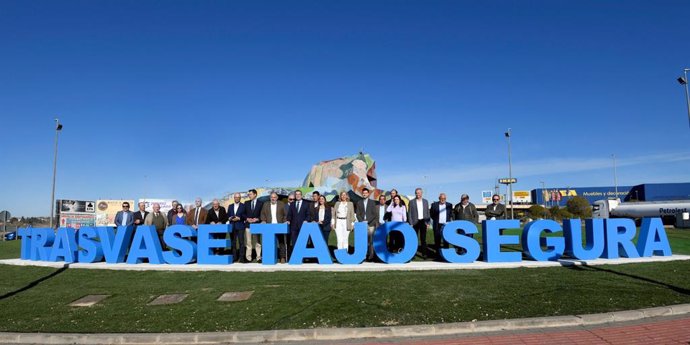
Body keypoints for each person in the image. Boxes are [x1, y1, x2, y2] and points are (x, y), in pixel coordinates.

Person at [260, 192, 287, 263]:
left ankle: (282, 257)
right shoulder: (265, 204)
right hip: (269, 227)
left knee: (281, 242)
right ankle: (269, 256)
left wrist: (284, 221)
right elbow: (262, 214)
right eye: (272, 197)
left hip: (279, 226)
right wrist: (263, 220)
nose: (273, 198)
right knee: (268, 243)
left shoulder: (281, 204)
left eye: (274, 197)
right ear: (270, 198)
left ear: (277, 198)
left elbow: (285, 214)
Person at [286, 190, 311, 259]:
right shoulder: (292, 204)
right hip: (293, 227)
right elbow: (289, 215)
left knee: (303, 242)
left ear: (301, 195)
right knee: (294, 242)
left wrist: (306, 220)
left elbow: (308, 215)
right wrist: (288, 220)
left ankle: (304, 257)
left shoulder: (306, 204)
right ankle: (296, 257)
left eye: (299, 194)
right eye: (296, 194)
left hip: (303, 226)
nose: (298, 195)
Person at [408, 188, 431, 258]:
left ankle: (424, 254)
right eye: (416, 193)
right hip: (415, 222)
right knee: (414, 239)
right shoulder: (411, 202)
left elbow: (427, 212)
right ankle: (413, 254)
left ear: (422, 193)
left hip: (423, 222)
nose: (418, 194)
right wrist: (411, 223)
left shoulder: (425, 201)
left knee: (423, 239)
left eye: (419, 193)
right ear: (415, 193)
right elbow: (409, 213)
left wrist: (428, 223)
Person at [356, 188, 377, 261]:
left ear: (368, 194)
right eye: (363, 193)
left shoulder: (372, 202)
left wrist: (367, 221)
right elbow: (358, 214)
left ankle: (371, 256)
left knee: (371, 241)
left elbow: (374, 214)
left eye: (366, 193)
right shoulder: (359, 202)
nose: (364, 194)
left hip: (370, 224)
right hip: (362, 224)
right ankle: (363, 256)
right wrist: (362, 221)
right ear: (362, 194)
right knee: (363, 241)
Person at [430, 193, 453, 258]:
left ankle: (446, 255)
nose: (443, 200)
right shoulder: (434, 205)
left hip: (446, 225)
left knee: (446, 240)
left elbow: (451, 214)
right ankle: (438, 254)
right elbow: (431, 214)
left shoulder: (449, 205)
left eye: (444, 198)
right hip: (437, 225)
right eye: (441, 198)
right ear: (439, 198)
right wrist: (436, 220)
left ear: (446, 199)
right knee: (437, 240)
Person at [244, 189, 263, 263]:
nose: (249, 195)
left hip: (257, 225)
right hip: (248, 225)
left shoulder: (261, 203)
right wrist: (247, 218)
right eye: (249, 194)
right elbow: (243, 213)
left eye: (250, 194)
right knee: (248, 242)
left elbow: (262, 214)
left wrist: (257, 219)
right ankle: (248, 258)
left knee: (257, 242)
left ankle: (258, 257)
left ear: (255, 194)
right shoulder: (246, 203)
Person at [227, 193, 247, 262]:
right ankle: (234, 257)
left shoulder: (243, 206)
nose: (237, 198)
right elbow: (228, 215)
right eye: (235, 197)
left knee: (241, 242)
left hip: (240, 226)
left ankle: (242, 258)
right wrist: (229, 218)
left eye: (238, 197)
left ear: (240, 198)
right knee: (233, 243)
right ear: (234, 198)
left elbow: (245, 216)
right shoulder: (230, 206)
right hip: (232, 226)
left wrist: (239, 218)